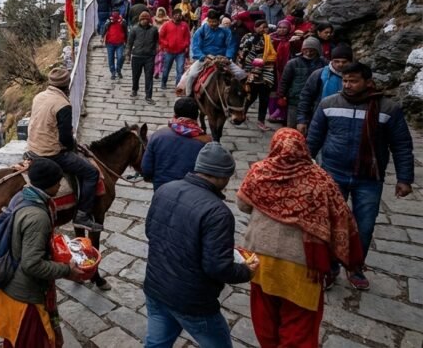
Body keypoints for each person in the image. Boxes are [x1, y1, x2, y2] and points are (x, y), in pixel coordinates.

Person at [237, 129, 364, 347]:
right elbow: (340, 217)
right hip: (302, 262)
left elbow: (243, 205)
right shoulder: (320, 180)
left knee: (265, 316)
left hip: (259, 257)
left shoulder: (259, 171)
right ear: (303, 149)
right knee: (299, 324)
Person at [307, 62, 415, 290]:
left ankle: (355, 266)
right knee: (329, 223)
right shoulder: (329, 104)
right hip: (333, 173)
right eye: (345, 80)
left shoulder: (388, 109)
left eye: (353, 81)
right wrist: (304, 167)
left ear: (368, 82)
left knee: (364, 226)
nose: (348, 85)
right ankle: (330, 267)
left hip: (369, 178)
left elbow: (401, 145)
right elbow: (313, 139)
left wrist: (404, 178)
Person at [144, 143, 256, 347]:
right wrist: (246, 271)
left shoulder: (165, 189)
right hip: (192, 301)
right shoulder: (218, 212)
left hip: (156, 287)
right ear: (222, 176)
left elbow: (151, 232)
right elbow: (217, 267)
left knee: (156, 344)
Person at [0, 160, 87, 348]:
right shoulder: (38, 217)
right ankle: (85, 215)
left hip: (11, 290)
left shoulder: (20, 197)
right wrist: (67, 270)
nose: (60, 185)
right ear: (48, 183)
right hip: (26, 299)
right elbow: (32, 264)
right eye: (58, 181)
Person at [26, 68, 104, 231]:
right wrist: (72, 147)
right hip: (50, 153)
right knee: (91, 173)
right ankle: (82, 215)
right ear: (67, 86)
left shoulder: (39, 96)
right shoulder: (63, 105)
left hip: (32, 148)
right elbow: (65, 139)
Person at [141, 97, 211, 190]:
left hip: (161, 189)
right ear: (196, 116)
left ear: (175, 114)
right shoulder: (207, 143)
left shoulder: (158, 135)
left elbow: (146, 169)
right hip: (192, 192)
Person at [179, 9, 244, 96]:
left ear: (219, 21)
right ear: (207, 20)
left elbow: (231, 45)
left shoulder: (226, 31)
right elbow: (195, 47)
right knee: (191, 75)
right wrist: (203, 57)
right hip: (205, 58)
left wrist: (228, 57)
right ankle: (188, 96)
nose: (212, 24)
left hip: (222, 58)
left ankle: (241, 95)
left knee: (241, 73)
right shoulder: (201, 31)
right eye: (210, 21)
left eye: (214, 21)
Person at [296, 43, 353, 134]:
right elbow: (306, 97)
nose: (340, 64)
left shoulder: (357, 77)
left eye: (344, 62)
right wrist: (302, 120)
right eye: (337, 61)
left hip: (348, 123)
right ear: (331, 61)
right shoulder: (319, 74)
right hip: (321, 120)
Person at [238, 19, 278, 132]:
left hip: (267, 71)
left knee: (264, 98)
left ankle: (261, 120)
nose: (263, 29)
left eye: (265, 27)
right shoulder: (249, 38)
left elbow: (272, 54)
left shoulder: (269, 39)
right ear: (255, 27)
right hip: (252, 71)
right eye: (260, 26)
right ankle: (243, 112)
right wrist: (247, 70)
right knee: (252, 96)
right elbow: (243, 54)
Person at [279, 37, 327, 129]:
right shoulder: (293, 63)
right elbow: (285, 81)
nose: (308, 53)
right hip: (295, 100)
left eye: (312, 51)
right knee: (292, 127)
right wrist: (282, 95)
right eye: (306, 50)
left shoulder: (323, 63)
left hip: (315, 101)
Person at [158, 8, 191, 89]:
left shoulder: (184, 25)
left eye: (179, 15)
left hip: (180, 52)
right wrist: (166, 44)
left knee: (180, 69)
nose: (178, 16)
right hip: (169, 51)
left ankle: (178, 85)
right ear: (172, 16)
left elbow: (187, 37)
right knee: (166, 69)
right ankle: (163, 82)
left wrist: (185, 45)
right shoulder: (166, 25)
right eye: (176, 15)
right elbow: (160, 37)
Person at [102, 11, 128, 80]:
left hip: (120, 43)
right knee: (111, 58)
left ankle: (118, 69)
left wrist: (126, 40)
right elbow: (104, 29)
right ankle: (113, 72)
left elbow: (126, 31)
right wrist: (102, 37)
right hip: (110, 43)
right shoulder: (109, 22)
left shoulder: (122, 22)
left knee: (120, 57)